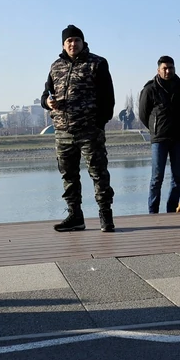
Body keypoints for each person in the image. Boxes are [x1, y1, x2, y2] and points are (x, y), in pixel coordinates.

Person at [41, 25, 116, 233]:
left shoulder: (97, 63)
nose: (73, 44)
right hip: (63, 132)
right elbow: (45, 94)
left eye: (76, 40)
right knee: (69, 176)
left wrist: (98, 124)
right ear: (63, 45)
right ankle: (75, 216)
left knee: (98, 173)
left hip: (89, 131)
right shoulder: (55, 66)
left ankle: (106, 216)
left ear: (83, 42)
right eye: (69, 41)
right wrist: (48, 102)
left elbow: (108, 98)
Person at [138, 56, 180, 213]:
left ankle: (171, 210)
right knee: (157, 177)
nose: (168, 71)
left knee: (177, 177)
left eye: (171, 68)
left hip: (179, 138)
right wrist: (155, 129)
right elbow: (143, 114)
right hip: (159, 139)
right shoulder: (150, 89)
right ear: (158, 70)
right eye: (165, 68)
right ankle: (153, 211)